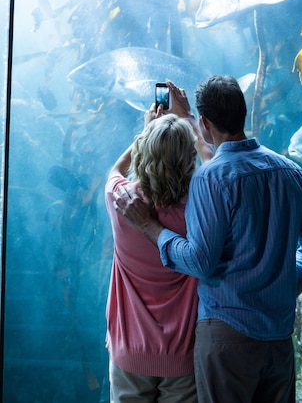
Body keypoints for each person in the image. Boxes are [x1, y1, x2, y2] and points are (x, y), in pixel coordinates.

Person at [113, 75, 302, 403]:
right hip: (279, 332)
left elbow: (201, 261)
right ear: (244, 112)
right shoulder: (292, 172)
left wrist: (149, 227)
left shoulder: (210, 180)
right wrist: (284, 287)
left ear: (204, 121)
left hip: (227, 333)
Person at [105, 105, 208, 403]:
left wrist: (146, 131)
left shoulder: (121, 200)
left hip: (129, 352)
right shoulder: (202, 209)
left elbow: (115, 170)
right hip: (182, 355)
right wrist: (197, 133)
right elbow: (217, 172)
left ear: (142, 152)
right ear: (188, 160)